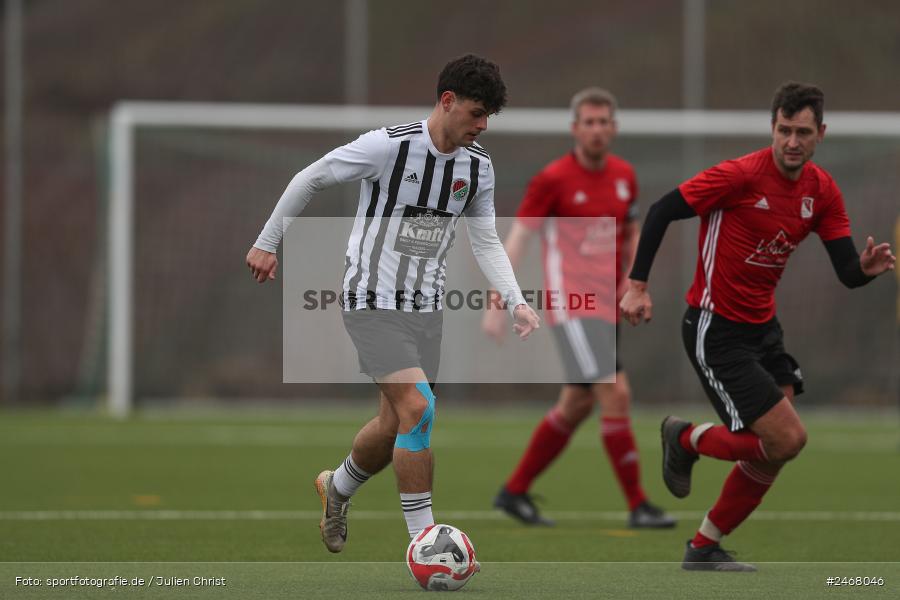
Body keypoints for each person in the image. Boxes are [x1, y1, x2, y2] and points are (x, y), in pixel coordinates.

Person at [246, 54, 541, 553]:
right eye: (475, 112)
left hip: (427, 309)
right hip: (370, 301)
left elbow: (487, 240)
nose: (483, 124)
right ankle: (425, 542)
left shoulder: (478, 167)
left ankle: (336, 487)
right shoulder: (388, 147)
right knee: (419, 409)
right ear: (447, 102)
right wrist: (267, 241)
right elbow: (311, 177)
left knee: (392, 425)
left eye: (489, 115)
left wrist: (516, 300)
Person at [620, 81, 896, 571]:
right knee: (787, 440)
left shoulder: (822, 191)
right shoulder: (740, 175)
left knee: (775, 449)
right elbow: (663, 210)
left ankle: (703, 547)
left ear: (820, 134)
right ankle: (685, 439)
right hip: (715, 328)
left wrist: (866, 270)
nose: (792, 141)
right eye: (784, 130)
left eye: (803, 132)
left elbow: (847, 271)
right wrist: (638, 284)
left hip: (764, 330)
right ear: (773, 128)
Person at [482, 88, 675, 529]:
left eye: (604, 121)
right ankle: (639, 505)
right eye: (588, 122)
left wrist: (636, 285)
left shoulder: (625, 176)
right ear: (575, 129)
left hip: (608, 306)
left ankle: (513, 492)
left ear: (614, 128)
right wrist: (498, 302)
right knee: (615, 392)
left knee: (576, 404)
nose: (596, 129)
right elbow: (518, 238)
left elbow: (633, 235)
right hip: (572, 305)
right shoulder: (552, 179)